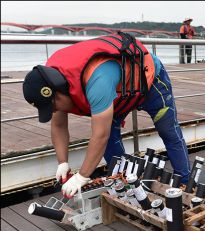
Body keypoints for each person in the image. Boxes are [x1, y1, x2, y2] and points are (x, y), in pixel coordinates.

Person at [22, 32, 191, 198]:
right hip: (119, 92)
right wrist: (62, 163)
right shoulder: (50, 79)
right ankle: (125, 186)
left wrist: (82, 177)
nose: (53, 112)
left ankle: (186, 183)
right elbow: (58, 125)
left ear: (57, 94)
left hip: (150, 81)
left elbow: (99, 136)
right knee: (111, 140)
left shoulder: (97, 82)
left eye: (51, 107)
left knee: (168, 131)